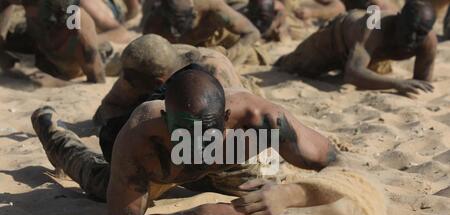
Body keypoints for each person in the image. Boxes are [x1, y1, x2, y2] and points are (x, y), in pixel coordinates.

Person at [31, 65, 337, 215]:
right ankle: (52, 131)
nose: (196, 148)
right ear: (165, 120)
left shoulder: (262, 121)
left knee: (263, 183)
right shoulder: (140, 137)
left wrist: (289, 194)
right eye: (185, 137)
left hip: (232, 166)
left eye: (206, 137)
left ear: (227, 119)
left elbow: (340, 165)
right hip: (162, 172)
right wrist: (201, 214)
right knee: (97, 181)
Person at [275, 0, 437, 97]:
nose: (412, 38)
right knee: (291, 66)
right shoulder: (374, 25)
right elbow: (353, 73)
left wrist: (408, 86)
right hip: (333, 41)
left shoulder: (428, 40)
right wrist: (397, 83)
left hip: (367, 55)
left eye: (420, 33)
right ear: (399, 17)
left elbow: (422, 83)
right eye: (408, 30)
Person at [93, 34, 245, 128]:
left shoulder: (214, 75)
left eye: (131, 81)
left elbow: (231, 121)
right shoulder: (140, 65)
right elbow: (108, 108)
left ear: (158, 82)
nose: (126, 82)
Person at [142, 0, 267, 65]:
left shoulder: (212, 7)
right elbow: (148, 54)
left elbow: (252, 33)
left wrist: (226, 57)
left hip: (224, 46)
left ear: (194, 12)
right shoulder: (154, 23)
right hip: (183, 55)